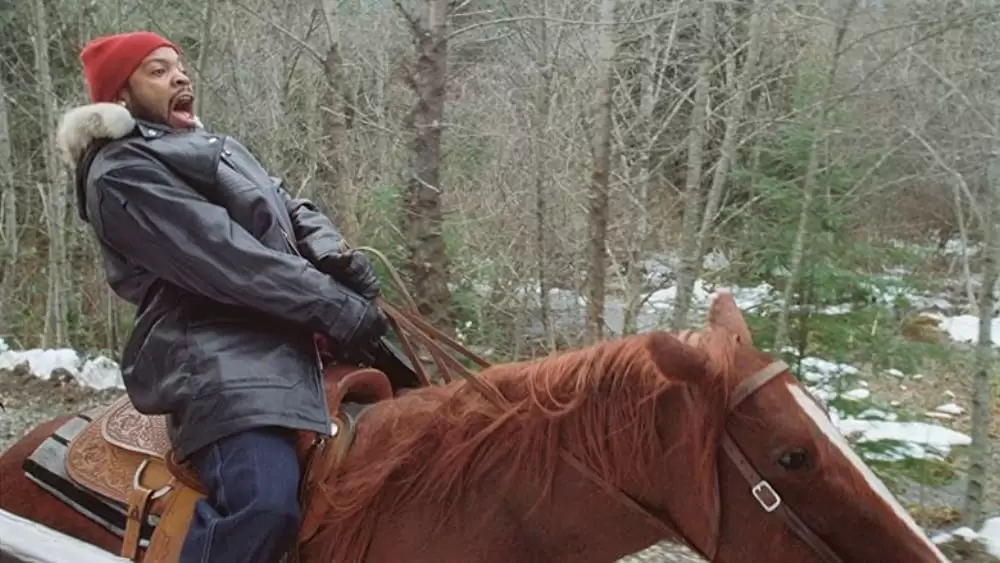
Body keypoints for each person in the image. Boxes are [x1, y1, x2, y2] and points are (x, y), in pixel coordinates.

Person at [57, 31, 388, 562]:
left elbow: (289, 203)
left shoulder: (214, 148)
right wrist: (335, 305)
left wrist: (335, 258)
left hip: (290, 331)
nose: (180, 76)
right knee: (263, 505)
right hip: (216, 359)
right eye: (158, 71)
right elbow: (230, 260)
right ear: (120, 97)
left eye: (178, 66)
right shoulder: (121, 174)